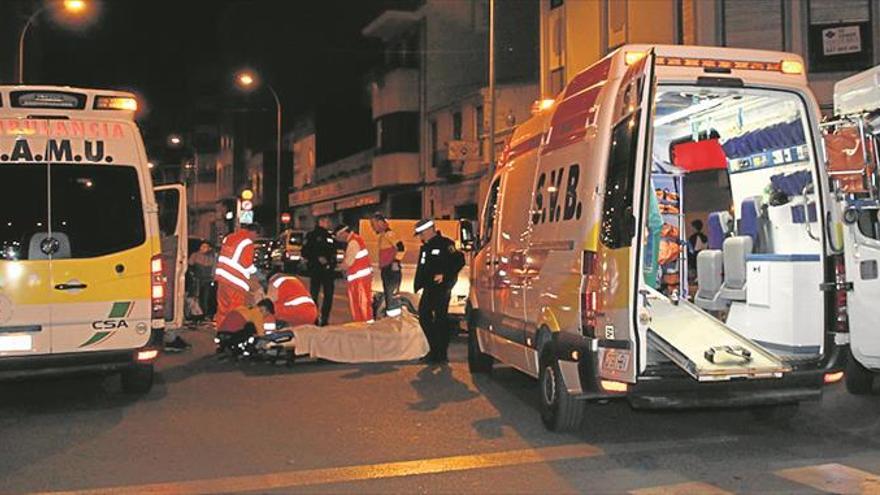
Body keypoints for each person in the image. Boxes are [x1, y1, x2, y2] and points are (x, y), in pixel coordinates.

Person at [413, 219, 465, 363]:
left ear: (429, 230)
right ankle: (435, 350)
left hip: (441, 287)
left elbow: (459, 260)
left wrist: (445, 275)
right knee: (424, 316)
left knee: (440, 319)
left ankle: (439, 353)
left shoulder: (445, 244)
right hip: (429, 287)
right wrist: (418, 284)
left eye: (421, 233)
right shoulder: (426, 247)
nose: (420, 237)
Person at [214, 223, 260, 328]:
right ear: (253, 232)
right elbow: (246, 265)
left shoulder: (229, 237)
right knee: (235, 309)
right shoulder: (247, 242)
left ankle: (221, 331)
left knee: (222, 308)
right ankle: (232, 332)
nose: (255, 239)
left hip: (222, 279)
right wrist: (256, 274)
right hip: (235, 281)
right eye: (256, 236)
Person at [334, 223, 374, 323]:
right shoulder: (357, 240)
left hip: (359, 280)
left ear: (343, 233)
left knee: (360, 304)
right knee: (362, 304)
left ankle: (364, 326)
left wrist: (336, 267)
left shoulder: (353, 242)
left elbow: (348, 262)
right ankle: (364, 325)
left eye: (338, 236)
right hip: (361, 279)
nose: (338, 239)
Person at [302, 217, 337, 326]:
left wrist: (332, 263)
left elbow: (334, 251)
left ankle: (325, 318)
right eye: (326, 221)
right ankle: (314, 317)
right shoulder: (311, 236)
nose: (328, 223)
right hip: (316, 269)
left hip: (328, 270)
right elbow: (305, 252)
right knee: (314, 295)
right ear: (320, 222)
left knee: (328, 295)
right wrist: (317, 258)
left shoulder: (330, 236)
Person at [370, 213, 405, 317]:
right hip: (387, 269)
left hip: (391, 270)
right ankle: (392, 318)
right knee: (390, 296)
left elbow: (401, 247)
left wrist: (395, 261)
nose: (372, 227)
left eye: (373, 224)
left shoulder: (389, 234)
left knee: (392, 296)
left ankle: (394, 320)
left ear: (380, 223)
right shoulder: (384, 235)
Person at [188, 241, 216, 321]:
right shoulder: (195, 255)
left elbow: (213, 269)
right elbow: (190, 265)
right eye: (202, 246)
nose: (203, 248)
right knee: (195, 296)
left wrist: (213, 278)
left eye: (205, 247)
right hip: (197, 279)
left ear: (209, 248)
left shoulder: (211, 257)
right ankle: (195, 314)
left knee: (205, 298)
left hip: (207, 280)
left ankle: (204, 314)